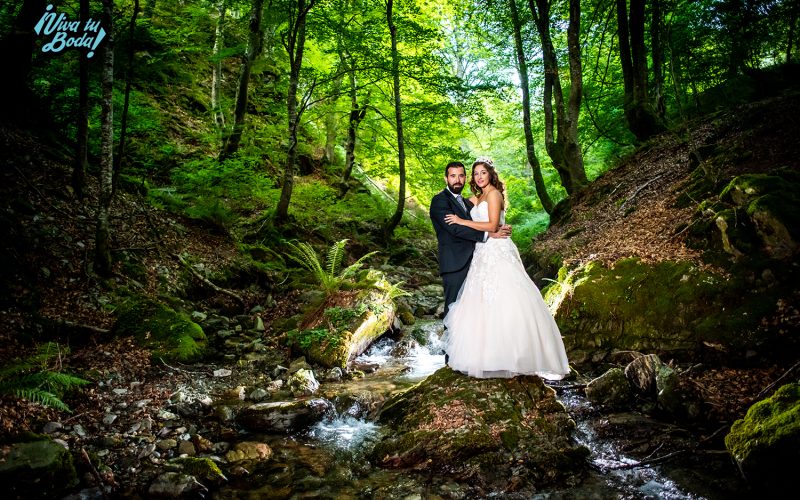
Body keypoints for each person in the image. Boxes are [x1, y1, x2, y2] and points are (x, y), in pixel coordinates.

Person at [441, 157, 570, 380]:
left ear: (491, 174)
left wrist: (462, 223)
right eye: (476, 173)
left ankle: (515, 356)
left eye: (483, 172)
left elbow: (491, 225)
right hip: (482, 252)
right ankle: (485, 357)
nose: (479, 177)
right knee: (480, 302)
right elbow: (460, 205)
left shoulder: (494, 194)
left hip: (497, 250)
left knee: (506, 297)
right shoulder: (478, 196)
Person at [429, 161, 510, 319]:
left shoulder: (468, 201)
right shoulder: (440, 200)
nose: (457, 180)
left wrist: (500, 225)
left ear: (466, 178)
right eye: (453, 176)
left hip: (477, 260)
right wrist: (488, 234)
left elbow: (487, 220)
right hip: (455, 263)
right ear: (446, 179)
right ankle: (450, 343)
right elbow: (455, 228)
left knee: (475, 310)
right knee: (453, 310)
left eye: (460, 176)